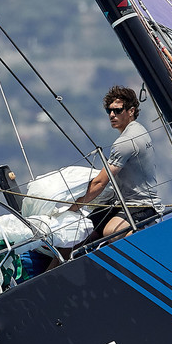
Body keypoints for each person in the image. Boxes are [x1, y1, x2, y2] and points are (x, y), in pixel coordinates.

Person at [70, 85, 162, 243]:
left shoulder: (125, 141)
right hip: (121, 203)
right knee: (80, 232)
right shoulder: (139, 130)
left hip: (143, 205)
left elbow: (100, 182)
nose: (112, 115)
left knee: (111, 231)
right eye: (109, 111)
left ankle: (140, 250)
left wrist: (74, 206)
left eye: (118, 110)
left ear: (131, 111)